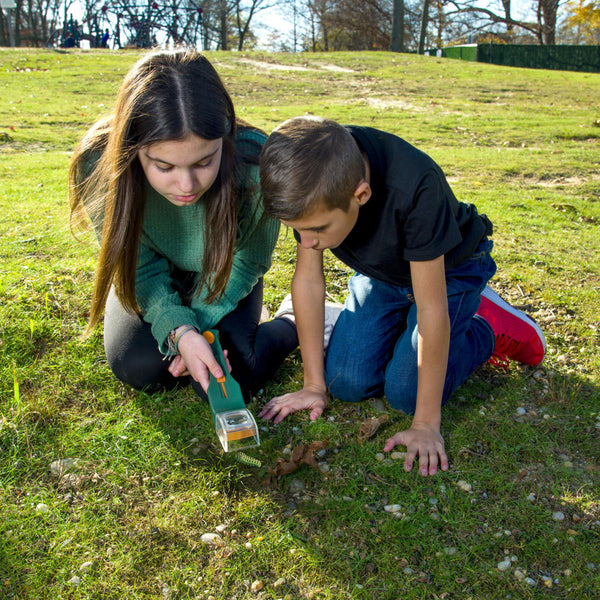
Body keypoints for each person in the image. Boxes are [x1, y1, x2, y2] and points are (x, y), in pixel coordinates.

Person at [258, 116, 546, 476]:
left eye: (316, 230)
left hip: (448, 272)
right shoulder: (311, 178)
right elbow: (309, 281)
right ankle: (394, 329)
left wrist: (426, 424)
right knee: (346, 383)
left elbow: (430, 308)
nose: (308, 241)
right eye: (297, 231)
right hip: (383, 273)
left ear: (360, 195)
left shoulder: (415, 185)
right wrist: (313, 385)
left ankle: (485, 327)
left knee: (405, 393)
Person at [68, 49, 298, 401]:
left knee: (236, 371)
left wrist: (196, 327)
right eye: (165, 167)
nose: (188, 186)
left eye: (204, 162)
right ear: (133, 149)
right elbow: (138, 267)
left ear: (225, 136)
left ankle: (291, 320)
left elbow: (246, 260)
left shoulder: (255, 163)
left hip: (226, 272)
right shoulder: (99, 165)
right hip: (148, 275)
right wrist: (179, 331)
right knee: (139, 365)